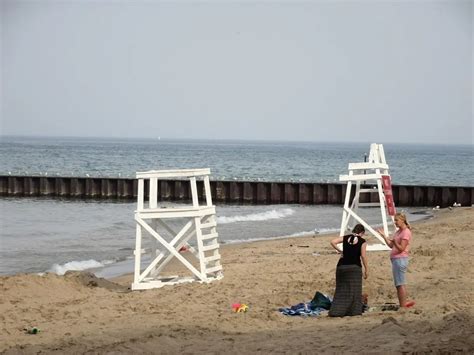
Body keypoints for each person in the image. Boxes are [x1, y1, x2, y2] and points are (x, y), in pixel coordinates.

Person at [328, 224, 368, 317]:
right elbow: (363, 256)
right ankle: (354, 311)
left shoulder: (346, 238)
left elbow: (333, 241)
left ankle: (336, 311)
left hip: (341, 266)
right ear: (362, 233)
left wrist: (340, 251)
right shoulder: (362, 241)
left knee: (341, 290)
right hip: (354, 267)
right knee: (355, 291)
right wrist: (366, 269)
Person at [377, 212, 415, 308]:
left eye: (397, 220)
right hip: (395, 259)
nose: (395, 222)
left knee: (400, 283)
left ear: (403, 220)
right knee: (398, 283)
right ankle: (403, 303)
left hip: (400, 259)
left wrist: (395, 242)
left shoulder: (406, 232)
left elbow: (401, 248)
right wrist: (384, 236)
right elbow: (391, 245)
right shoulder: (398, 232)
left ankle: (403, 305)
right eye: (394, 220)